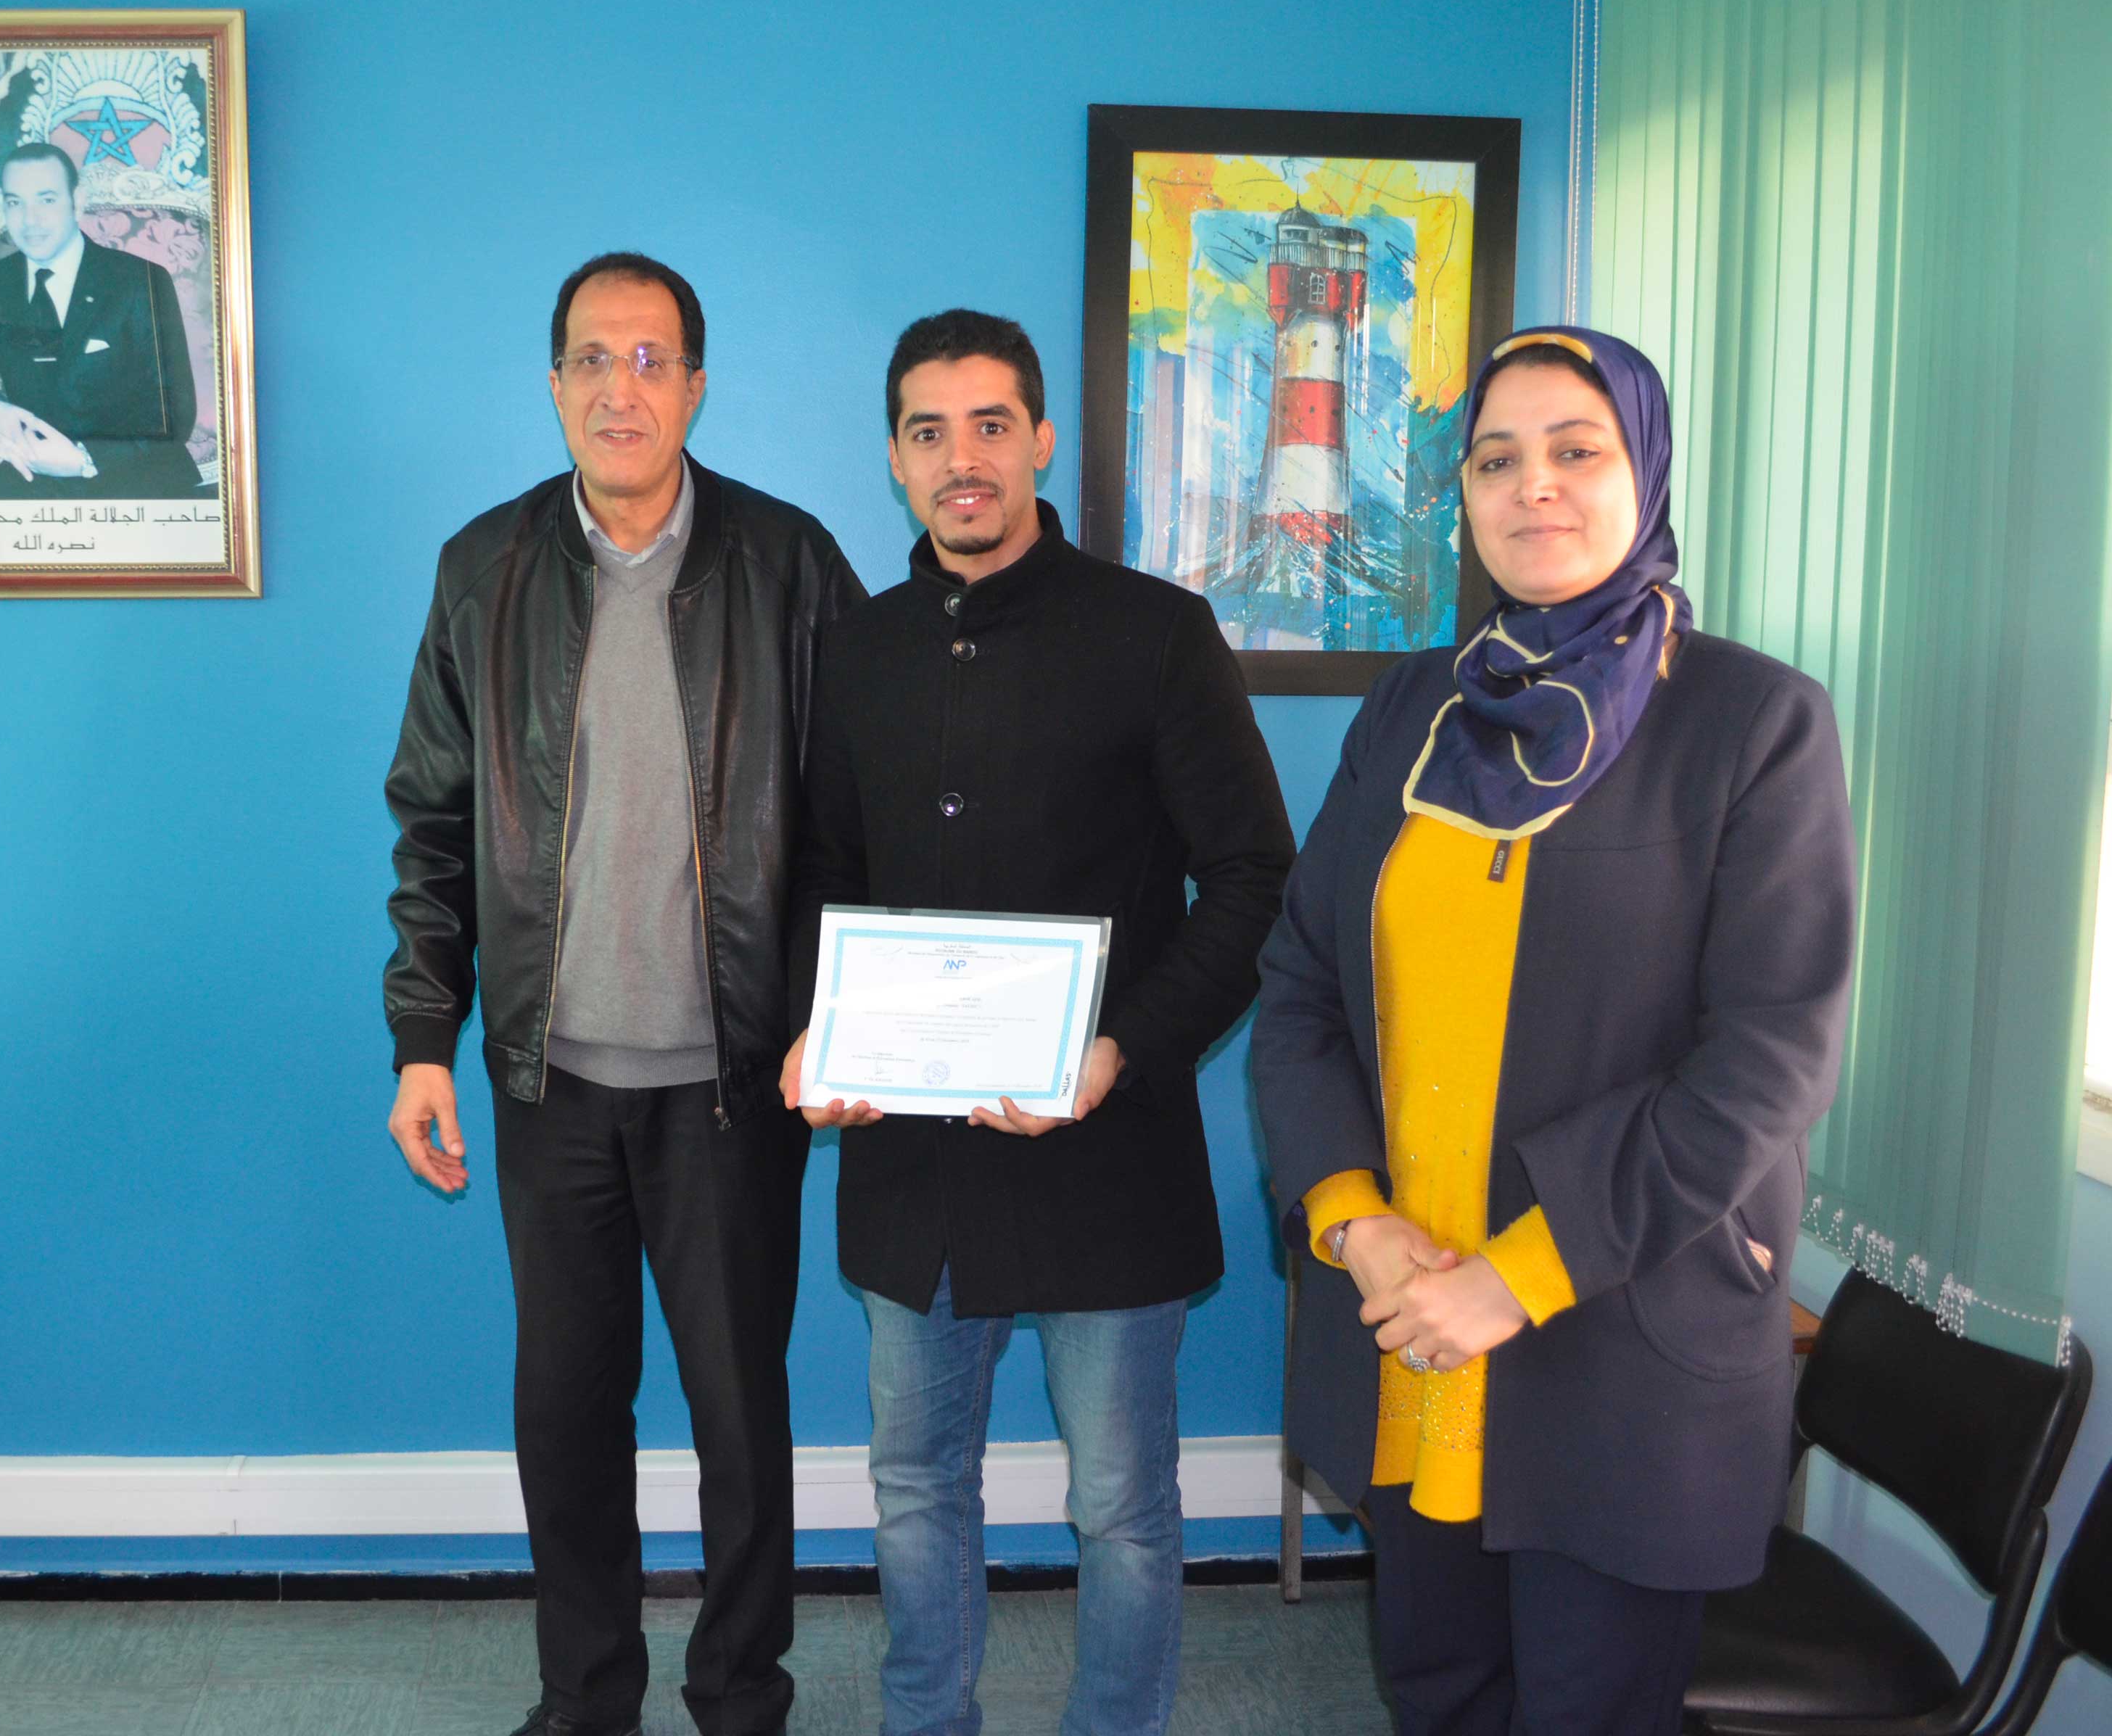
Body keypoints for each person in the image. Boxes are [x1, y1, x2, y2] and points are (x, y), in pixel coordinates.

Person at [1251, 327, 1857, 1734]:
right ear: (1460, 494)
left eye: (1576, 450)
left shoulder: (1753, 722)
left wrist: (1515, 1277)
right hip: (1410, 1329)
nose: (1536, 488)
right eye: (1497, 459)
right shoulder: (1413, 708)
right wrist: (1355, 1219)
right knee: (1442, 1692)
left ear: (1642, 469)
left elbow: (1769, 1058)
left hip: (1612, 1344)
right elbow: (1300, 991)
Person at [783, 310, 1294, 1736]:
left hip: (1105, 1153)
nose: (964, 461)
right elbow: (826, 875)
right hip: (914, 1163)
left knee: (1123, 1505)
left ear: (1042, 439)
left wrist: (1124, 1045)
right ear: (895, 457)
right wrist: (824, 1031)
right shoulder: (857, 653)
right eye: (931, 433)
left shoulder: (1155, 635)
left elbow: (1255, 876)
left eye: (992, 426)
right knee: (914, 1488)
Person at [383, 252, 866, 1736]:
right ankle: (586, 1696)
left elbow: (858, 817)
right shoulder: (487, 568)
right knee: (568, 1416)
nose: (622, 388)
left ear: (698, 385)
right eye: (594, 359)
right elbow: (437, 822)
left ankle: (739, 1696)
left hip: (735, 1083)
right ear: (554, 384)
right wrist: (423, 1043)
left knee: (741, 1418)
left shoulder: (790, 565)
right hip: (551, 1087)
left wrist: (842, 1026)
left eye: (652, 360)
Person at [0, 142, 202, 500]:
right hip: (33, 480)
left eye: (46, 200)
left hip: (139, 480)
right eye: (15, 203)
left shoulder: (140, 281)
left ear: (76, 202)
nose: (30, 220)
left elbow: (175, 414)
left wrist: (84, 459)